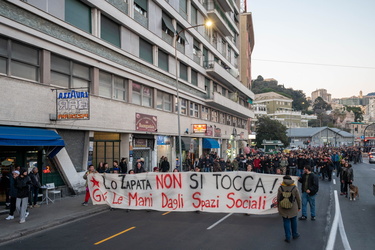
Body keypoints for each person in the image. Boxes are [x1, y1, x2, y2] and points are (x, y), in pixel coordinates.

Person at [277, 175, 301, 243]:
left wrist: (278, 207)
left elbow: (278, 198)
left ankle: (288, 237)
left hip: (283, 207)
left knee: (286, 221)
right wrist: (299, 207)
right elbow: (298, 199)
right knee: (294, 221)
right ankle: (295, 234)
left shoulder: (281, 187)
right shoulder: (294, 187)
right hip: (293, 207)